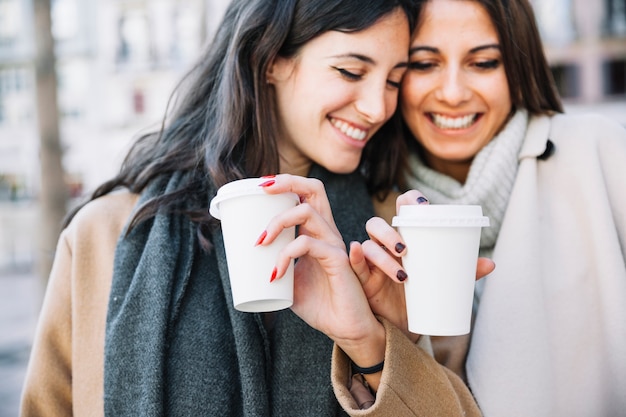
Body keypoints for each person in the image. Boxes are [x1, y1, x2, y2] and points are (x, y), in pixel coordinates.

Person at [20, 0, 491, 416]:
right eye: (351, 71)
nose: (376, 107)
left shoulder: (393, 240)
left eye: (394, 80)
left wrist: (373, 347)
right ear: (269, 58)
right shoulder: (107, 235)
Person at [350, 0, 626, 416]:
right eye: (425, 64)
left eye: (483, 63)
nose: (454, 93)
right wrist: (396, 343)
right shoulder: (367, 219)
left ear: (519, 66)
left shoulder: (601, 156)